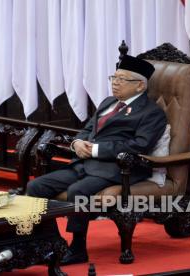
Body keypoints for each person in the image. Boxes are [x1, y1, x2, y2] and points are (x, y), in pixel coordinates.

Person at [26, 55, 167, 265]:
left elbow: (139, 146)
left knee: (78, 191)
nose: (115, 83)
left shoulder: (151, 113)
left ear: (139, 86)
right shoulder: (108, 102)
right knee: (36, 186)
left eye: (122, 79)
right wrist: (77, 144)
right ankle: (46, 242)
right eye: (113, 77)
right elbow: (87, 130)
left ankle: (77, 248)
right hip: (84, 163)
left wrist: (96, 150)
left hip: (118, 169)